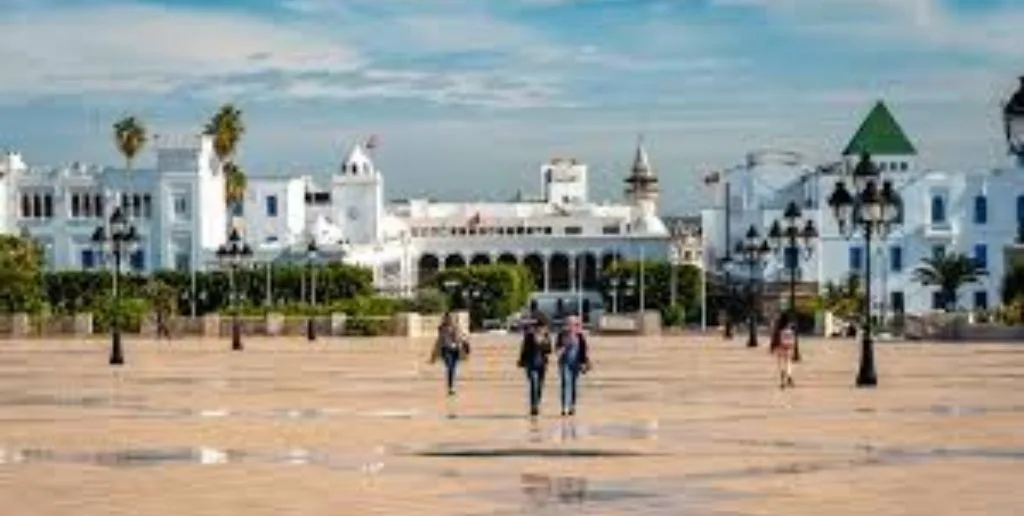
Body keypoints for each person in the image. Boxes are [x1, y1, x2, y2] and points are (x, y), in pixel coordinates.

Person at [517, 315, 553, 417]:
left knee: (540, 386)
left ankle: (537, 403)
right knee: (534, 384)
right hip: (530, 364)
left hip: (542, 364)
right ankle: (534, 406)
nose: (542, 329)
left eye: (543, 327)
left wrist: (543, 343)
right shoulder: (529, 335)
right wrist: (521, 361)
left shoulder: (546, 336)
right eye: (541, 327)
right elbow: (524, 349)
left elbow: (549, 350)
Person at [555, 315, 591, 416]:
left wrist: (584, 363)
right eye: (570, 324)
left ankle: (572, 406)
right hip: (564, 363)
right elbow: (557, 351)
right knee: (565, 384)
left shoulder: (580, 336)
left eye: (575, 324)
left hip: (576, 364)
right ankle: (564, 407)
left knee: (574, 385)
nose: (573, 326)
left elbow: (585, 350)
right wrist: (564, 346)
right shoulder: (562, 335)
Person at [430, 312, 469, 396]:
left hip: (455, 350)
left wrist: (464, 345)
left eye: (449, 318)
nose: (448, 319)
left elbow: (461, 337)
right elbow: (439, 341)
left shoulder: (456, 327)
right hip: (446, 350)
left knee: (452, 369)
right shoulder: (441, 328)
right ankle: (451, 387)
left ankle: (451, 387)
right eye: (446, 318)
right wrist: (434, 354)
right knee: (450, 367)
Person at [770, 313, 797, 389]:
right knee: (788, 362)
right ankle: (789, 375)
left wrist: (772, 347)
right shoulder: (791, 326)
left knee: (781, 363)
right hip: (789, 346)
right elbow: (794, 337)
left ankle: (782, 380)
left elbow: (774, 336)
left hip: (780, 346)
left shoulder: (778, 326)